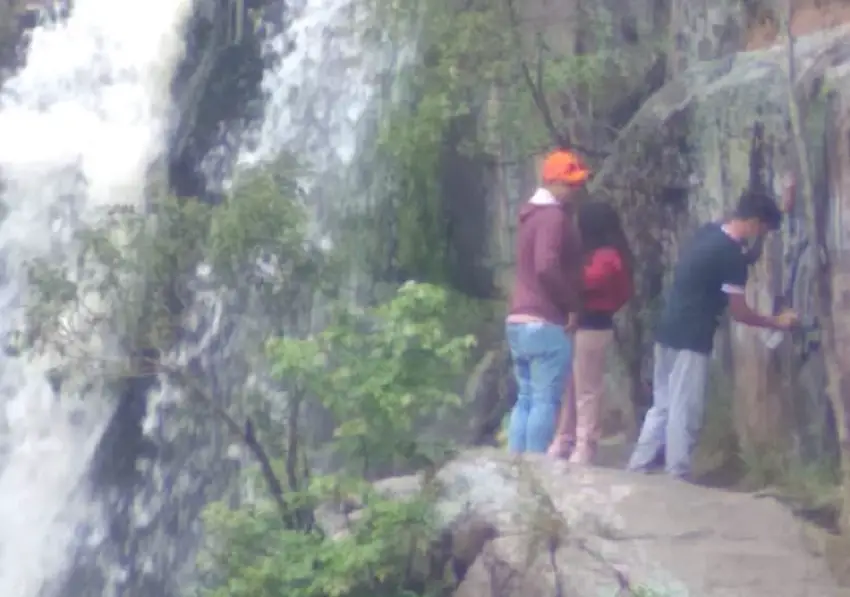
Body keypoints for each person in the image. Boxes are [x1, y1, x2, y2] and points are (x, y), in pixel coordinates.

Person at [627, 188, 799, 480]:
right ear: (754, 222)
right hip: (692, 337)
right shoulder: (731, 257)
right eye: (763, 229)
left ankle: (638, 466)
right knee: (685, 407)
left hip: (668, 329)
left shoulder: (709, 233)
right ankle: (677, 472)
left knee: (663, 404)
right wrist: (777, 322)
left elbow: (743, 257)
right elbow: (740, 312)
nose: (761, 235)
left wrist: (781, 211)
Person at [505, 149, 589, 453]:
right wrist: (571, 305)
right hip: (544, 321)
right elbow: (546, 265)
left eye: (577, 183)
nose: (574, 190)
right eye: (569, 183)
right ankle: (536, 468)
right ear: (552, 182)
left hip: (517, 321)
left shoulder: (529, 216)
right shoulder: (553, 217)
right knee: (544, 400)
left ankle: (514, 467)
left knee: (525, 398)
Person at [547, 201, 634, 464]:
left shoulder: (607, 257)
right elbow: (622, 294)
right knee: (572, 387)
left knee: (586, 389)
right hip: (588, 324)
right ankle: (565, 439)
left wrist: (563, 277)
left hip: (593, 325)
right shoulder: (606, 255)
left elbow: (588, 281)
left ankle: (584, 444)